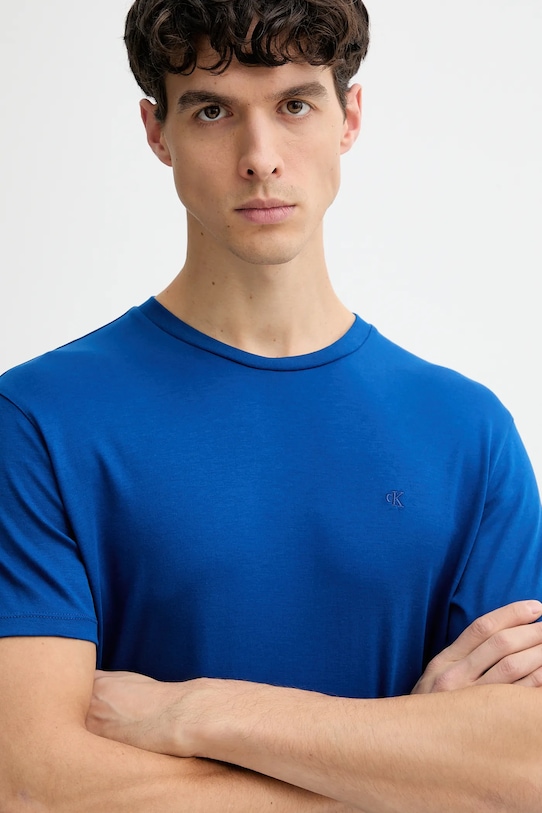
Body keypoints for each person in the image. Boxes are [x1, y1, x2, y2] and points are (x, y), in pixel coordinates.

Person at [1, 1, 541, 811]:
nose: (259, 158)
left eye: (294, 104)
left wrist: (202, 711)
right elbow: (34, 783)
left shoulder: (468, 431)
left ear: (348, 117)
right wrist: (406, 768)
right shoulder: (37, 420)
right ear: (156, 132)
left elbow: (526, 770)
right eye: (212, 112)